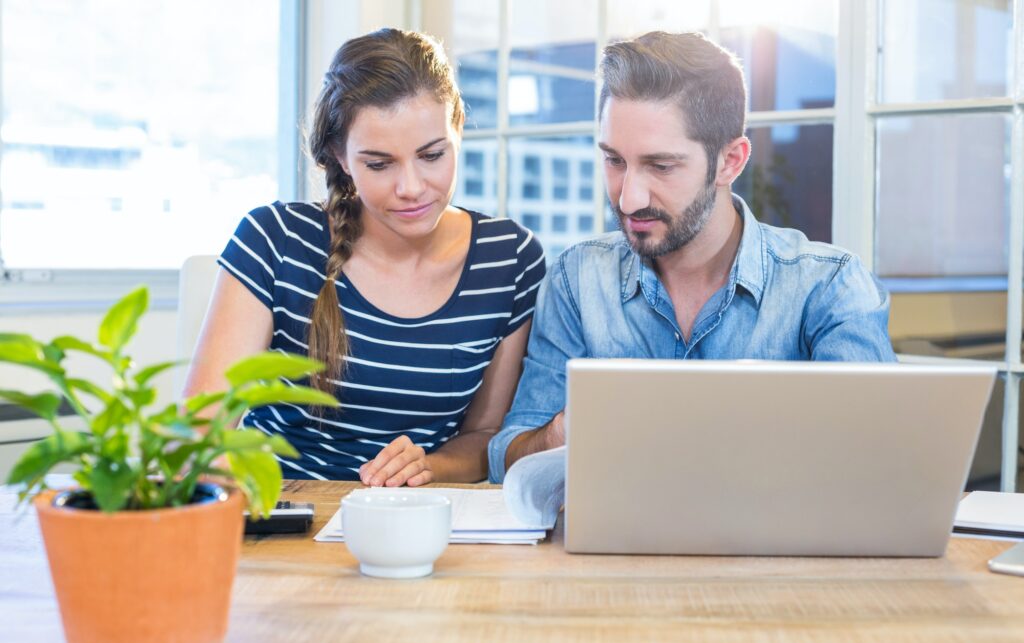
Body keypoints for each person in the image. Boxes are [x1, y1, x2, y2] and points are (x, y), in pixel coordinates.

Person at [488, 31, 896, 483]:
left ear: (730, 161)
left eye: (661, 166)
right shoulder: (577, 279)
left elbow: (879, 465)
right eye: (614, 161)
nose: (628, 199)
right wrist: (562, 432)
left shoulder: (829, 286)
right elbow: (507, 455)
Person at [184, 28, 545, 486]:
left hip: (417, 512)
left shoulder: (509, 260)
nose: (411, 188)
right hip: (285, 509)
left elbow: (487, 438)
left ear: (458, 128)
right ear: (341, 156)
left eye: (432, 155)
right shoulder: (276, 239)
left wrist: (427, 467)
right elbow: (198, 439)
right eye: (379, 164)